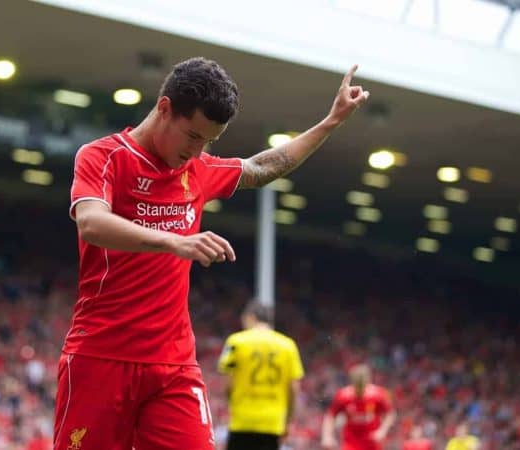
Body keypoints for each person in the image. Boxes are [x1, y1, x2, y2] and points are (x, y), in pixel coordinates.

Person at [54, 56, 370, 450]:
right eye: (192, 136)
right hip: (100, 357)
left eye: (209, 142)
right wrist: (173, 240)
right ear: (165, 108)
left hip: (173, 365)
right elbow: (91, 223)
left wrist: (331, 121)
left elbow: (263, 167)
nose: (198, 150)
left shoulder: (197, 169)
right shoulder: (104, 157)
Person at [217, 300, 304, 450]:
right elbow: (294, 389)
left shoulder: (235, 342)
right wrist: (288, 420)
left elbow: (227, 383)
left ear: (250, 317)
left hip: (242, 419)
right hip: (272, 423)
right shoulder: (288, 346)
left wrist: (231, 403)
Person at [321, 363, 396, 450]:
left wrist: (382, 431)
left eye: (362, 386)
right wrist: (327, 436)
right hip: (351, 442)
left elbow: (390, 414)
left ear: (368, 381)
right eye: (357, 386)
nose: (360, 389)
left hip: (372, 441)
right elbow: (330, 416)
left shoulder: (378, 394)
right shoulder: (344, 396)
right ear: (352, 382)